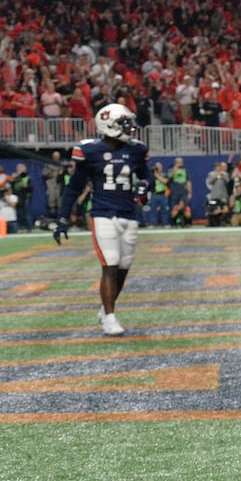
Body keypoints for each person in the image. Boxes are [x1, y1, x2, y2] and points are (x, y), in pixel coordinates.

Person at [53, 103, 152, 336]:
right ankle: (109, 317)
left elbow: (147, 177)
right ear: (108, 126)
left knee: (124, 267)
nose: (129, 128)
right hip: (103, 213)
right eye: (124, 124)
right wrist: (62, 218)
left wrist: (145, 186)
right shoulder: (90, 151)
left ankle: (105, 308)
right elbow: (74, 187)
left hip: (129, 213)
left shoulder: (136, 150)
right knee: (110, 263)